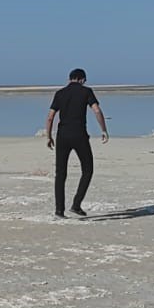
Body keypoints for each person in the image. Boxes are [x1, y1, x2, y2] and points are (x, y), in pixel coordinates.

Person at [44, 68, 108, 217]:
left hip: (62, 136)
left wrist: (48, 136)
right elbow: (97, 110)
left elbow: (50, 117)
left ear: (70, 79)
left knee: (60, 174)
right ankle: (76, 204)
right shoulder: (86, 91)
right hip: (79, 135)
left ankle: (59, 210)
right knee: (87, 170)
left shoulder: (60, 93)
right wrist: (104, 130)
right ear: (81, 79)